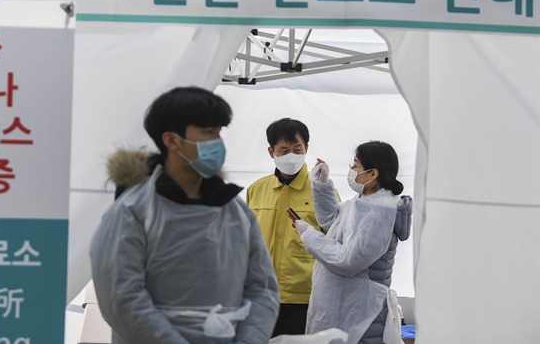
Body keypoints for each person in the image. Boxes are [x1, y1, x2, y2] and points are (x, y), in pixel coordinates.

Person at [90, 86, 280, 344]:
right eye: (206, 132)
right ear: (171, 140)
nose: (217, 142)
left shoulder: (236, 212)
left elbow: (263, 288)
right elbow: (122, 297)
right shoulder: (133, 211)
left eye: (219, 132)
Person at [289, 141, 413, 344]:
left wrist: (309, 235)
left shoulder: (379, 211)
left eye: (355, 166)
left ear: (373, 174)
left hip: (360, 313)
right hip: (348, 307)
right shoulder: (363, 203)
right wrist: (322, 184)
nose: (351, 171)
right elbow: (333, 220)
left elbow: (349, 260)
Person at [246, 118, 336, 337]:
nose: (291, 156)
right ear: (271, 152)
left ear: (306, 148)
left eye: (297, 149)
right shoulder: (256, 190)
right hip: (261, 293)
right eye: (284, 150)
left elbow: (335, 245)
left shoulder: (322, 191)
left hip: (305, 295)